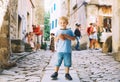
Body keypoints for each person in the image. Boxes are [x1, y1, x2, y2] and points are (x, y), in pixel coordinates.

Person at [50, 16, 76, 80]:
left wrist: (66, 36)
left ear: (67, 23)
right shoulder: (58, 31)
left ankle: (67, 74)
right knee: (58, 62)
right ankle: (55, 72)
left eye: (64, 23)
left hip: (67, 50)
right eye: (61, 23)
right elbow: (55, 40)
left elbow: (73, 38)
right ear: (59, 23)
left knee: (67, 63)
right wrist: (59, 37)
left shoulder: (69, 31)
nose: (62, 24)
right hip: (60, 50)